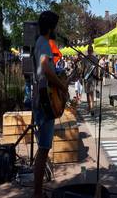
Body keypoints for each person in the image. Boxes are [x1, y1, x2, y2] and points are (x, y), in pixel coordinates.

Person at [33, 11, 68, 198]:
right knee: (44, 148)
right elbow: (46, 68)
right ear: (52, 27)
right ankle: (37, 193)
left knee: (43, 148)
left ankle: (37, 191)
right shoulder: (45, 43)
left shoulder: (39, 42)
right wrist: (62, 85)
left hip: (42, 98)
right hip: (45, 101)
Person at [82, 45, 99, 115]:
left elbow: (83, 69)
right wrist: (97, 78)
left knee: (88, 93)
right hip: (92, 77)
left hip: (87, 77)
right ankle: (91, 108)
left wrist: (82, 77)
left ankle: (90, 108)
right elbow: (97, 69)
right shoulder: (95, 59)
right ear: (92, 51)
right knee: (91, 93)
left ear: (88, 51)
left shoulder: (84, 59)